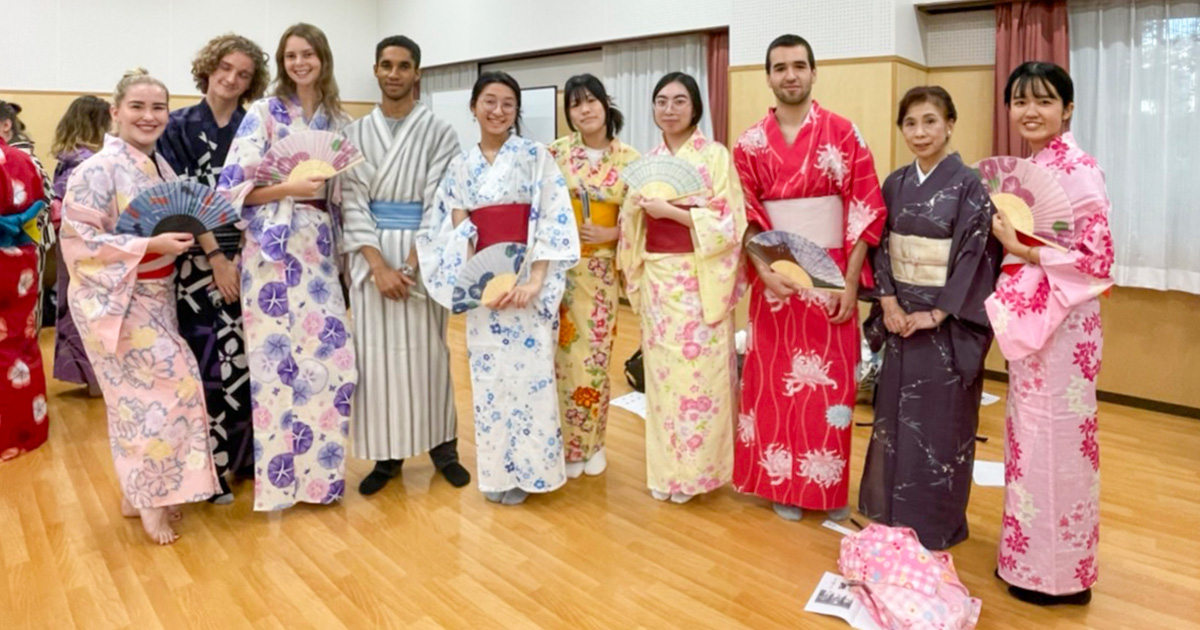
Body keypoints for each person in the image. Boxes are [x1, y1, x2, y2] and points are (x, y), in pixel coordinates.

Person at [60, 69, 219, 544]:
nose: (148, 117)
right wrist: (149, 246)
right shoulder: (97, 170)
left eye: (157, 108)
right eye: (137, 106)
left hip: (155, 296)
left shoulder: (161, 167)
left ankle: (138, 495)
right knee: (165, 395)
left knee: (142, 404)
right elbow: (80, 241)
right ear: (115, 112)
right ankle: (150, 499)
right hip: (117, 299)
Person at [732, 35, 886, 521]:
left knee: (830, 387)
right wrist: (762, 270)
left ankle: (825, 486)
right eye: (780, 68)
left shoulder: (843, 133)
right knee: (776, 383)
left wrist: (850, 283)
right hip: (774, 276)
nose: (790, 75)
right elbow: (744, 217)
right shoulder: (749, 144)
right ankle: (782, 484)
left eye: (799, 66)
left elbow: (866, 209)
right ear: (769, 77)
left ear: (814, 73)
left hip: (832, 274)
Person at [417, 71, 579, 505]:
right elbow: (456, 227)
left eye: (508, 103)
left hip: (527, 284)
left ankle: (535, 473)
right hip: (486, 288)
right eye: (489, 101)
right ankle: (499, 473)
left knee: (531, 379)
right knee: (489, 381)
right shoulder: (459, 166)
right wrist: (476, 279)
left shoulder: (534, 156)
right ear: (473, 107)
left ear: (516, 111)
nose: (498, 111)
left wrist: (536, 280)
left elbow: (552, 218)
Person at [988, 61, 1113, 606]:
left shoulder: (1080, 170)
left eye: (1043, 101)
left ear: (1067, 108)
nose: (1030, 112)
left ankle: (1059, 577)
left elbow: (1098, 258)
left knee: (1059, 441)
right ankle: (1028, 559)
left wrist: (1024, 250)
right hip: (1035, 317)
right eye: (1019, 101)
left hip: (1067, 322)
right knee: (1028, 438)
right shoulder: (1033, 166)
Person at [219, 23, 358, 511]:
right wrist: (287, 190)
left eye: (308, 54)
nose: (300, 62)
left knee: (334, 366)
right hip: (271, 251)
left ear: (323, 57)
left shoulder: (337, 121)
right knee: (276, 368)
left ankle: (322, 483)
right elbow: (233, 190)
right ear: (282, 62)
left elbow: (343, 197)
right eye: (291, 55)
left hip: (320, 248)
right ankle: (281, 485)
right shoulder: (263, 113)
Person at [857, 86, 1002, 550]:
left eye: (930, 121)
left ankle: (935, 525)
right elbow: (880, 246)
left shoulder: (971, 186)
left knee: (940, 426)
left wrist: (937, 313)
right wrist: (890, 303)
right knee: (894, 420)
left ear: (950, 124)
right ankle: (889, 516)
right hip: (900, 321)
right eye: (911, 123)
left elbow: (977, 256)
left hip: (945, 328)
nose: (920, 132)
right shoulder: (895, 183)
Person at [342, 35, 470, 495]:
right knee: (375, 361)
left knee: (429, 353)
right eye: (386, 65)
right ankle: (387, 454)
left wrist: (412, 266)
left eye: (403, 66)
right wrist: (378, 266)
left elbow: (441, 200)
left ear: (417, 73)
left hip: (424, 254)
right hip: (369, 255)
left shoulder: (440, 132)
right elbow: (352, 200)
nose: (394, 73)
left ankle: (443, 447)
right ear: (375, 70)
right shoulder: (354, 134)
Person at [618, 72, 745, 504]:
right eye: (661, 101)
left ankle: (699, 475)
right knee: (662, 379)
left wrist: (672, 212)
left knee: (700, 382)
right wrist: (637, 212)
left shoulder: (714, 157)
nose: (669, 109)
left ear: (695, 108)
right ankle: (666, 472)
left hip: (697, 279)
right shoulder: (649, 160)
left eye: (679, 101)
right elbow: (630, 229)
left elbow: (730, 222)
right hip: (657, 279)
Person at [158, 33, 269, 503]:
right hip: (195, 258)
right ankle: (209, 470)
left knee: (247, 358)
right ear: (208, 67)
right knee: (205, 365)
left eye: (243, 74)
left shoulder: (254, 125)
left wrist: (244, 254)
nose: (232, 79)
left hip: (251, 254)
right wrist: (217, 257)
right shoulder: (177, 125)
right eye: (225, 67)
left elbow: (260, 195)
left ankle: (245, 460)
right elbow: (181, 197)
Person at [547, 74, 640, 479]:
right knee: (560, 361)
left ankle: (594, 443)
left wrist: (615, 232)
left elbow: (641, 220)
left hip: (601, 272)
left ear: (605, 104)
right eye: (575, 104)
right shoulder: (554, 154)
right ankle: (564, 446)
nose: (584, 110)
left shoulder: (630, 159)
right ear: (568, 113)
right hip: (560, 272)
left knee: (596, 361)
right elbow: (542, 209)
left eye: (591, 101)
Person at [50, 95, 111, 397]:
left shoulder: (66, 159)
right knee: (92, 307)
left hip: (67, 244)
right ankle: (97, 378)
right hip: (89, 243)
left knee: (72, 305)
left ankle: (84, 374)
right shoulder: (89, 163)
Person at [0, 135, 50, 461]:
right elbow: (40, 205)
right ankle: (26, 427)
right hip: (19, 260)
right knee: (19, 340)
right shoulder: (22, 159)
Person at [1, 100, 55, 333]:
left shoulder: (24, 158)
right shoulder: (25, 159)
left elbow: (45, 202)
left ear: (6, 125)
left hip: (24, 242)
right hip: (23, 249)